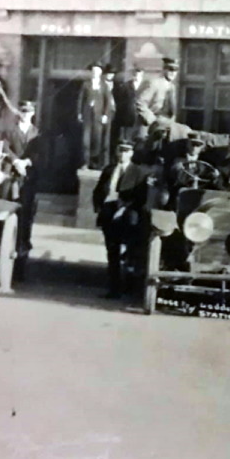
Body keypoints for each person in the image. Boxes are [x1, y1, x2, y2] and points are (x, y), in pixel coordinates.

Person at [92, 140, 149, 300]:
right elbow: (98, 190)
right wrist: (99, 207)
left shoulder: (138, 172)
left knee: (130, 252)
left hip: (127, 215)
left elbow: (140, 198)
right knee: (112, 251)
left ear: (131, 153)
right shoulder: (109, 170)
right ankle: (114, 289)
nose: (123, 154)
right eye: (120, 150)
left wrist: (124, 209)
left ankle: (130, 287)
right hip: (108, 213)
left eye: (126, 151)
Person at [0, 100, 41, 273]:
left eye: (28, 111)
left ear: (33, 113)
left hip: (28, 179)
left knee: (25, 218)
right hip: (10, 177)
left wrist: (27, 162)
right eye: (23, 111)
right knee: (6, 213)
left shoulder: (37, 133)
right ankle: (2, 256)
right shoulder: (9, 131)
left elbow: (41, 153)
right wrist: (15, 161)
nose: (25, 114)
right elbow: (4, 148)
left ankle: (21, 263)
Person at [77, 62, 113, 170]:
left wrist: (105, 115)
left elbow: (108, 101)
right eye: (93, 71)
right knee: (85, 140)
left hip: (98, 117)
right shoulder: (86, 84)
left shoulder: (104, 85)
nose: (95, 73)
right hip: (87, 116)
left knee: (97, 140)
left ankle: (95, 163)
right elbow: (80, 99)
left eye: (97, 71)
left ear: (100, 72)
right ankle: (85, 163)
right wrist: (79, 113)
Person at [167, 132, 219, 202]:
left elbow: (210, 178)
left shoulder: (206, 163)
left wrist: (215, 175)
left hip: (200, 191)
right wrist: (176, 169)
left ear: (202, 148)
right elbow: (172, 177)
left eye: (198, 145)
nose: (194, 147)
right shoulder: (178, 160)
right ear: (187, 144)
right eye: (193, 144)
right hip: (181, 191)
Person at [136, 57, 179, 137]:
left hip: (166, 127)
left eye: (176, 70)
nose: (173, 73)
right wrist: (151, 120)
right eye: (170, 69)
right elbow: (140, 102)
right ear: (164, 69)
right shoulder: (154, 83)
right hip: (150, 126)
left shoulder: (172, 87)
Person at [112, 65, 146, 148]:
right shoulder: (126, 86)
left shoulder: (146, 86)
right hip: (128, 117)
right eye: (136, 73)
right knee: (127, 141)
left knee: (140, 140)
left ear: (142, 74)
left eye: (139, 73)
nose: (137, 75)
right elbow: (121, 102)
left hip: (142, 117)